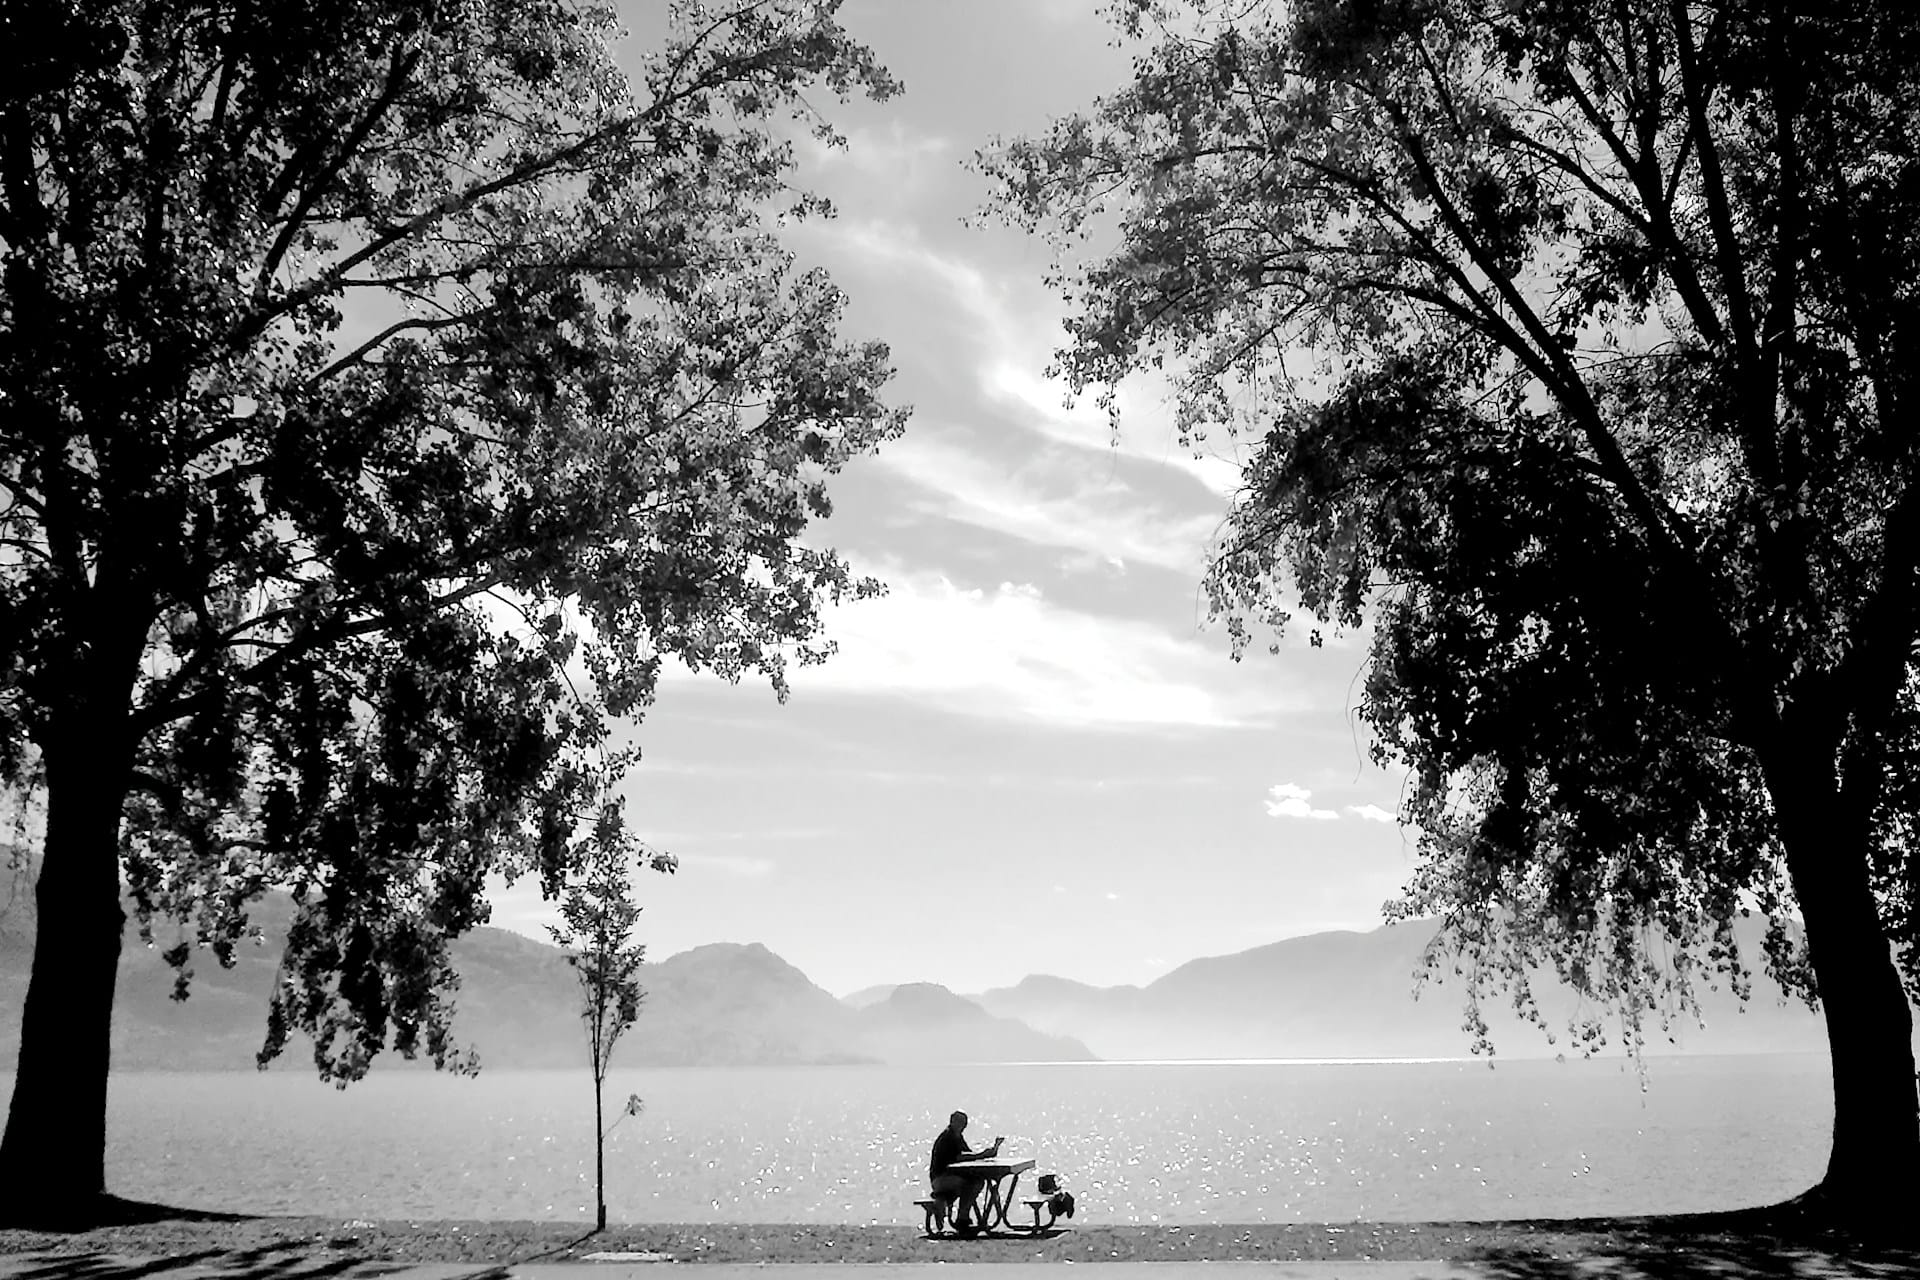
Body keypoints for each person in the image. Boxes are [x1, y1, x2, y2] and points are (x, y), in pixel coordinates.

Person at [928, 1109, 1003, 1232]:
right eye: (960, 1123)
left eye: (964, 1124)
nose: (962, 1126)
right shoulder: (948, 1137)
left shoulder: (957, 1136)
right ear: (952, 1122)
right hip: (940, 1178)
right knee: (971, 1184)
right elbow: (958, 1157)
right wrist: (980, 1155)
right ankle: (962, 1218)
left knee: (977, 1181)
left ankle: (962, 1216)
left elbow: (967, 1154)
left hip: (949, 1176)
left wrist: (984, 1154)